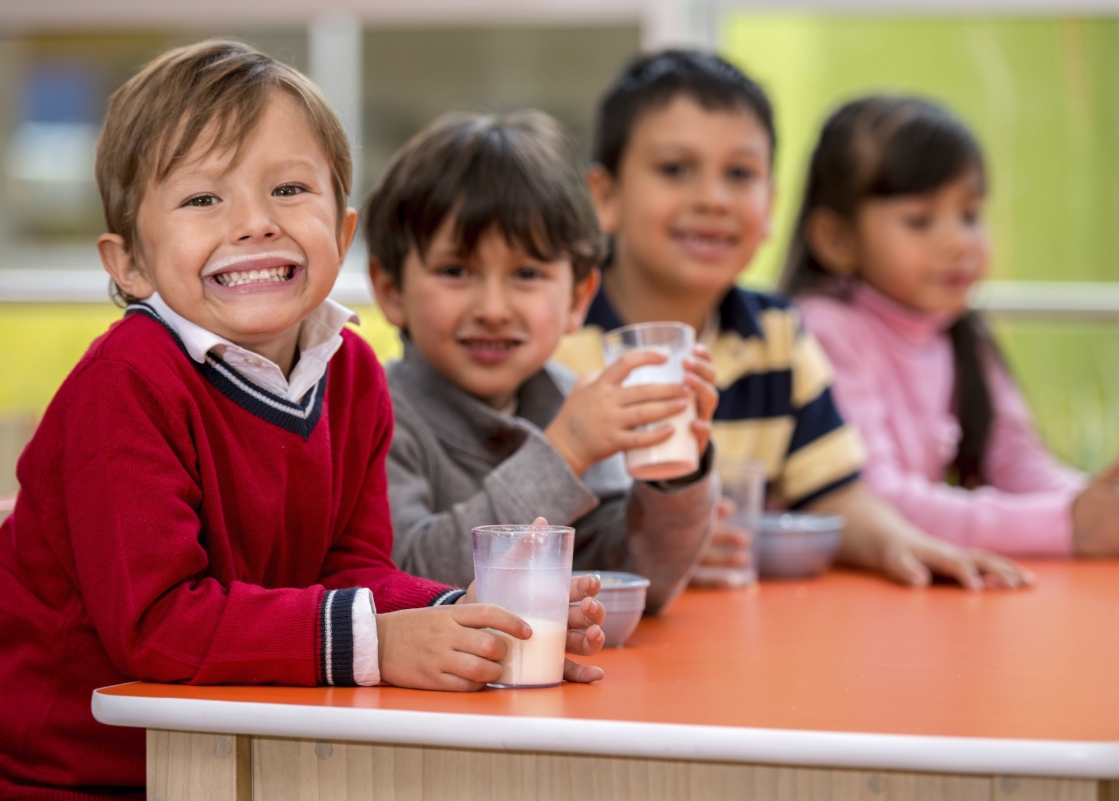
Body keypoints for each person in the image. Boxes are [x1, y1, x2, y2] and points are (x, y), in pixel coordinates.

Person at [0, 41, 603, 798]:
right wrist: (379, 642)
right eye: (201, 199)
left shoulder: (349, 372)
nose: (255, 223)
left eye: (289, 189)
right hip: (74, 772)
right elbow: (156, 623)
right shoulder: (124, 383)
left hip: (244, 745)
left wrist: (475, 619)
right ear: (130, 265)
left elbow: (351, 571)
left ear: (343, 233)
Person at [556, 49, 1033, 589]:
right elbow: (514, 516)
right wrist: (656, 546)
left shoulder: (778, 335)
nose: (712, 198)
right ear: (606, 196)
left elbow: (835, 491)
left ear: (771, 207)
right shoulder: (556, 341)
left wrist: (900, 542)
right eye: (675, 170)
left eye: (740, 173)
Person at [784, 95, 1119, 556]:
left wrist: (1109, 508)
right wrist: (1065, 525)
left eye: (970, 215)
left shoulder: (956, 328)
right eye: (920, 220)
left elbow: (1015, 461)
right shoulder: (825, 330)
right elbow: (875, 504)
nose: (959, 243)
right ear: (835, 239)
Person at [364, 111, 720, 614]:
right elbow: (406, 579)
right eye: (455, 271)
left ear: (578, 297)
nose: (492, 309)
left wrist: (675, 477)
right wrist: (564, 451)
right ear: (390, 290)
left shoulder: (567, 400)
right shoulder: (373, 415)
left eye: (526, 273)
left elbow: (638, 580)